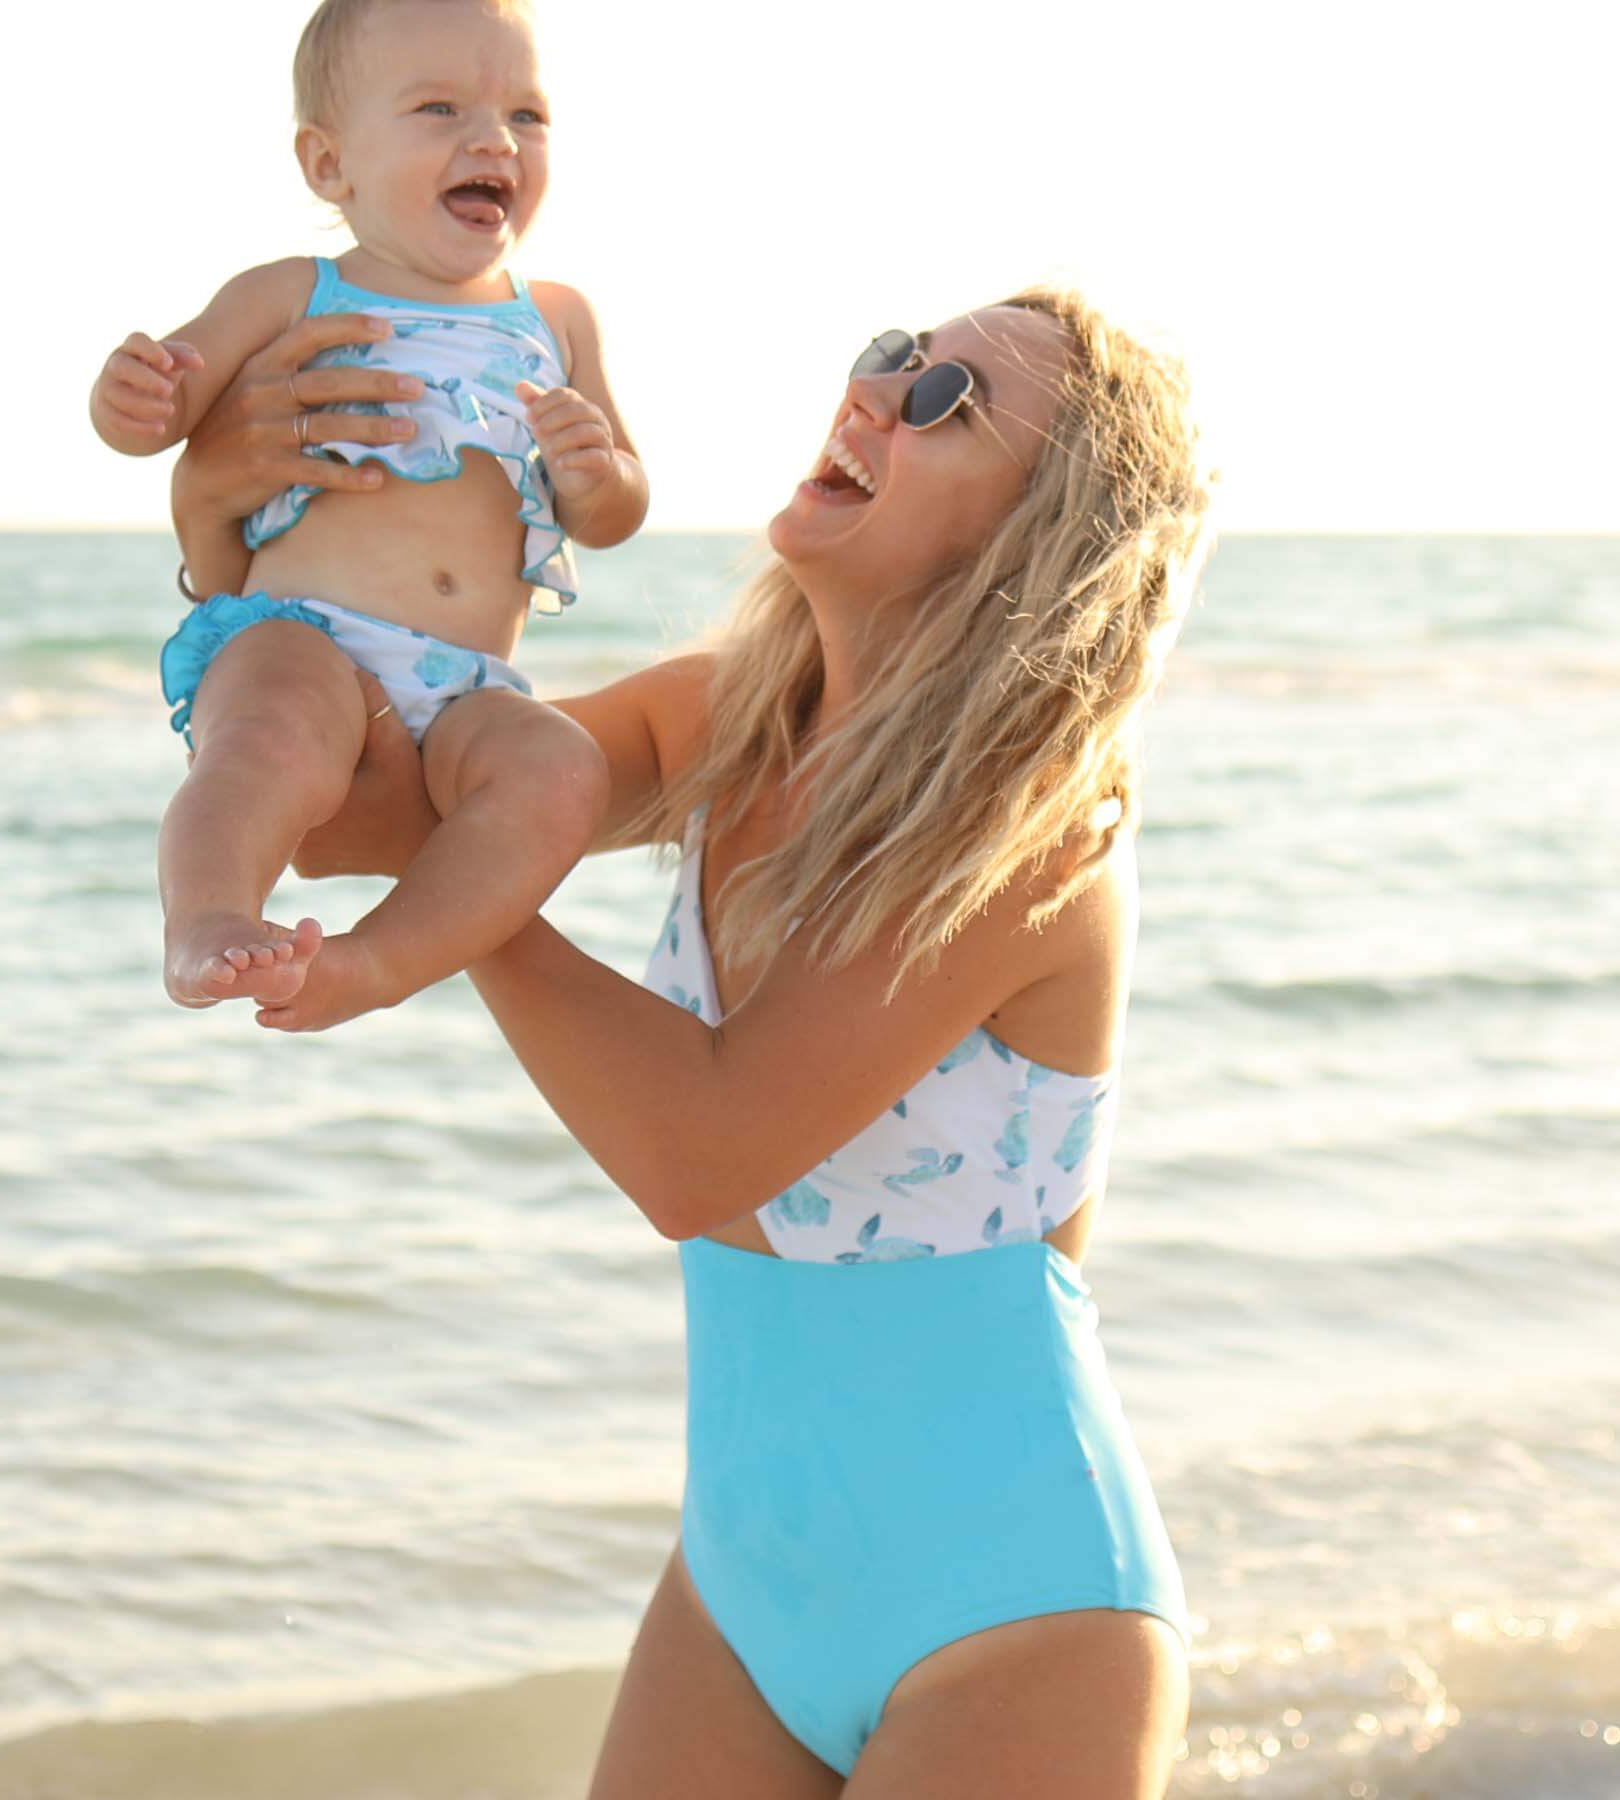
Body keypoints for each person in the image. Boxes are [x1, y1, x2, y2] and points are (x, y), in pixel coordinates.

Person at [174, 285, 1215, 1797]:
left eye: (945, 404)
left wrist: (482, 895)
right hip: (741, 1583)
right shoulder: (731, 723)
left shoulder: (1032, 834)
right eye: (892, 355)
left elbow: (700, 1151)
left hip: (1019, 1605)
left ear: (1034, 541)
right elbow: (368, 801)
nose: (877, 394)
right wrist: (225, 530)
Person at [89, 0, 644, 1028]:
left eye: (525, 114)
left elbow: (615, 509)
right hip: (303, 634)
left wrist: (595, 469)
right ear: (328, 164)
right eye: (439, 108)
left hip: (469, 684)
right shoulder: (292, 291)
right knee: (266, 741)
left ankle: (374, 965)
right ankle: (208, 919)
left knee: (563, 770)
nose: (493, 139)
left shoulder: (557, 316)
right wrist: (130, 397)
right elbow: (166, 413)